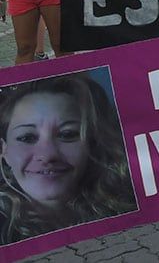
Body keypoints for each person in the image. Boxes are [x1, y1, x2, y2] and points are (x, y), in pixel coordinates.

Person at [0, 72, 136, 244]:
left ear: (92, 143)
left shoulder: (127, 203)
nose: (48, 155)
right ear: (4, 150)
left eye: (67, 134)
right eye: (27, 137)